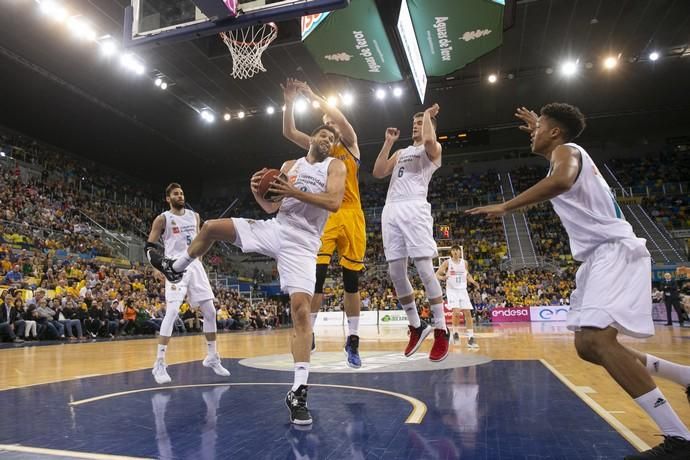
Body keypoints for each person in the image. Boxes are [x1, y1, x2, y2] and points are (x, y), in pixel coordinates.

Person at [466, 103, 690, 459]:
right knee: (586, 346)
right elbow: (559, 167)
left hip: (613, 250)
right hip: (595, 257)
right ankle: (682, 376)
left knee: (600, 340)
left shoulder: (569, 152)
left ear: (555, 132)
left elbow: (562, 178)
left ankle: (679, 439)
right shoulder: (562, 152)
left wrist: (506, 206)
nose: (533, 133)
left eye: (540, 127)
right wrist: (537, 124)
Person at [150, 126, 346, 425]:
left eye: (332, 139)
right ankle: (174, 268)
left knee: (301, 311)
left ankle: (299, 391)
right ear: (313, 138)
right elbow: (273, 206)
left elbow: (333, 202)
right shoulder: (289, 166)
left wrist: (293, 191)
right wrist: (258, 193)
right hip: (277, 228)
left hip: (305, 243)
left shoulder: (335, 166)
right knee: (211, 227)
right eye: (323, 136)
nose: (328, 141)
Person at [282, 78, 366, 368]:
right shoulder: (322, 147)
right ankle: (311, 331)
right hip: (326, 214)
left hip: (352, 214)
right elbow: (290, 131)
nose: (329, 125)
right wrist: (291, 100)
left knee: (351, 282)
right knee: (315, 278)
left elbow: (340, 118)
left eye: (332, 122)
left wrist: (314, 94)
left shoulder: (351, 144)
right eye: (325, 123)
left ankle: (353, 340)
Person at [372, 103, 450, 362]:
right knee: (395, 272)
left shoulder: (434, 150)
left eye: (420, 122)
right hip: (391, 209)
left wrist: (427, 115)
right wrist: (388, 142)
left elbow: (429, 138)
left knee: (425, 270)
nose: (415, 125)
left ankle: (441, 328)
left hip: (414, 207)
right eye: (414, 122)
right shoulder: (402, 151)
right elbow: (378, 172)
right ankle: (417, 326)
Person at [145, 183, 230, 384]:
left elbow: (202, 240)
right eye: (176, 193)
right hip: (175, 265)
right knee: (172, 312)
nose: (180, 195)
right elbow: (149, 245)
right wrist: (157, 267)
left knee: (210, 312)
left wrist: (200, 260)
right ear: (168, 198)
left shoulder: (195, 216)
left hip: (195, 267)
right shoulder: (163, 218)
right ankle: (159, 363)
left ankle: (212, 356)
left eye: (182, 193)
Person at [435, 245, 480, 348]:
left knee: (468, 313)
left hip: (462, 290)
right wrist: (443, 277)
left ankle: (471, 338)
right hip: (452, 290)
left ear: (460, 252)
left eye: (457, 250)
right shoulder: (447, 263)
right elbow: (437, 274)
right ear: (451, 252)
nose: (455, 252)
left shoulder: (465, 263)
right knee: (456, 312)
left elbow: (467, 275)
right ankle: (455, 333)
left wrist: (473, 282)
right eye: (453, 250)